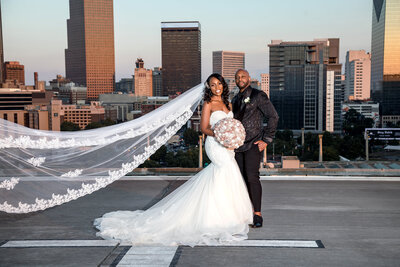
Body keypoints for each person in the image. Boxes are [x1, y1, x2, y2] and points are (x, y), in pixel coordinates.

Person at [94, 73, 253, 246]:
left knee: (225, 174)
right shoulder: (208, 103)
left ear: (223, 85)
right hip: (215, 144)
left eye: (219, 84)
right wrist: (221, 136)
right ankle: (214, 218)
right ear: (209, 87)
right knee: (223, 171)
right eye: (213, 85)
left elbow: (232, 124)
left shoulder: (227, 103)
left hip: (227, 146)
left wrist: (232, 139)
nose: (217, 88)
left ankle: (227, 215)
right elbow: (204, 127)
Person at [232, 69, 279, 228]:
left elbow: (273, 116)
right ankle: (245, 212)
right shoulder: (235, 99)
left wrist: (266, 139)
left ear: (249, 78)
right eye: (238, 77)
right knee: (241, 180)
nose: (240, 79)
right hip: (237, 146)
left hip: (253, 143)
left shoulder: (259, 95)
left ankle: (257, 214)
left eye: (243, 76)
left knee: (252, 178)